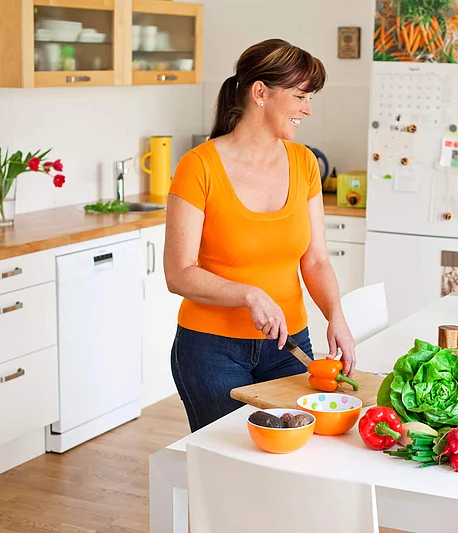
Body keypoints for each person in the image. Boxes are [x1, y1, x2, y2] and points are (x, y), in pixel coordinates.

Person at [163, 39, 357, 432]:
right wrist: (248, 294)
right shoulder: (198, 166)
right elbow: (178, 273)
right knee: (228, 464)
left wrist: (336, 317)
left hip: (289, 347)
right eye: (301, 96)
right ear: (260, 93)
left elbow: (315, 259)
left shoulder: (303, 163)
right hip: (211, 350)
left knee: (292, 457)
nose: (308, 108)